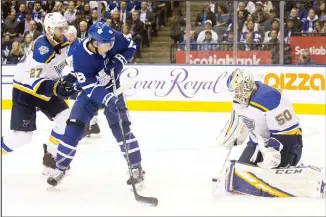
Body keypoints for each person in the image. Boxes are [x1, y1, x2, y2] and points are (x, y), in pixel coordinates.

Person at [47, 21, 145, 189]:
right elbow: (90, 87)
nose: (111, 47)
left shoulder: (112, 36)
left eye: (111, 44)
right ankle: (61, 168)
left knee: (122, 129)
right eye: (107, 46)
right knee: (73, 129)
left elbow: (131, 46)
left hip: (113, 89)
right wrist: (108, 99)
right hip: (90, 93)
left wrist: (120, 60)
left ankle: (136, 168)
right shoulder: (80, 55)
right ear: (95, 43)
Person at [218, 68, 324, 198]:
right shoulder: (239, 101)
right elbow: (241, 121)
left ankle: (305, 174)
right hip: (257, 144)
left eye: (237, 90)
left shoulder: (270, 97)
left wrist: (272, 151)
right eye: (233, 91)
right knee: (241, 173)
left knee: (269, 170)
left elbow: (287, 133)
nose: (235, 95)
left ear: (246, 85)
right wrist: (234, 133)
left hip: (288, 144)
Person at [1, 13, 75, 177]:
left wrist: (69, 81)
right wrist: (57, 88)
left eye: (64, 27)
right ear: (49, 29)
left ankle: (50, 157)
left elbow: (59, 67)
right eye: (59, 28)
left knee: (65, 119)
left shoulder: (62, 42)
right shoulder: (42, 49)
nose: (63, 31)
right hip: (26, 89)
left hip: (46, 85)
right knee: (22, 137)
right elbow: (36, 81)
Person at [62, 25, 101, 138]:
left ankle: (87, 125)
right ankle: (92, 125)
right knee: (81, 100)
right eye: (66, 36)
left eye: (69, 35)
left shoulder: (80, 45)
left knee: (82, 100)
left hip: (83, 76)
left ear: (73, 35)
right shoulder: (66, 46)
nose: (67, 38)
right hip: (75, 76)